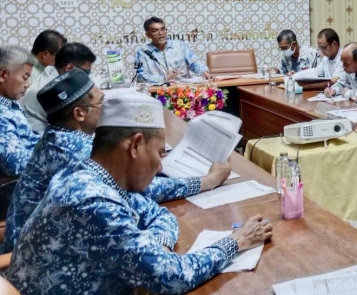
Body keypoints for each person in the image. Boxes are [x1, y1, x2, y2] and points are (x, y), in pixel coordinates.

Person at [5, 92, 272, 295]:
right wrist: (237, 241)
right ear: (135, 146)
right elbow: (175, 276)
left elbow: (158, 214)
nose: (160, 165)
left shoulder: (89, 174)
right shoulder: (92, 201)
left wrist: (154, 254)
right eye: (159, 153)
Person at [5, 70, 231, 252]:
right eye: (101, 102)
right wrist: (206, 181)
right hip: (45, 255)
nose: (107, 108)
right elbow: (144, 190)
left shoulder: (58, 136)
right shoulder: (76, 150)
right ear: (79, 114)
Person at [20, 41, 96, 133]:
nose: (86, 77)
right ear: (69, 68)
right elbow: (76, 119)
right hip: (38, 134)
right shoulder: (53, 88)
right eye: (85, 73)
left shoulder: (52, 72)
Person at [0, 45, 40, 175]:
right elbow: (15, 165)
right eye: (25, 77)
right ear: (3, 75)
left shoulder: (10, 104)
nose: (28, 84)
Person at [135, 17, 212, 84]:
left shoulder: (180, 45)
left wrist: (204, 72)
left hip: (183, 90)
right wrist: (165, 78)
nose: (161, 33)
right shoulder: (143, 52)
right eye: (155, 30)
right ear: (148, 35)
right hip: (158, 91)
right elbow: (140, 77)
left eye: (163, 29)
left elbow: (195, 63)